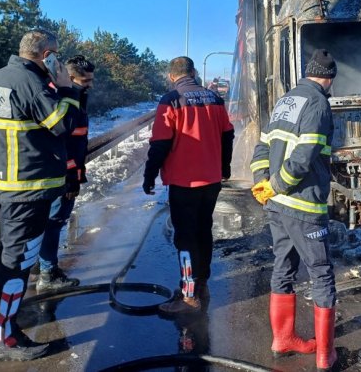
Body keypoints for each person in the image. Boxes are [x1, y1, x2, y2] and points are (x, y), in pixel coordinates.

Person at [0, 29, 80, 361]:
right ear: (47, 55)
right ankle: (6, 339)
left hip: (9, 185)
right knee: (19, 262)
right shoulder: (31, 83)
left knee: (8, 258)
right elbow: (63, 123)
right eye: (57, 54)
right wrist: (66, 87)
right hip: (29, 188)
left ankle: (0, 322)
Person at [249, 48, 338, 371]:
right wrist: (278, 184)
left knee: (283, 266)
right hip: (303, 204)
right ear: (329, 79)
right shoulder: (318, 103)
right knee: (321, 273)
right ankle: (325, 356)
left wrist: (263, 182)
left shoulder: (286, 100)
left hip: (277, 205)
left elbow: (262, 146)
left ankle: (282, 339)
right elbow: (303, 158)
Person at [143, 56, 234, 314]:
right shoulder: (215, 99)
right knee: (204, 232)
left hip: (184, 183)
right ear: (193, 72)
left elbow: (160, 143)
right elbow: (228, 134)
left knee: (184, 238)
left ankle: (188, 294)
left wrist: (149, 175)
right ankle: (201, 285)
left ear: (172, 76)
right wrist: (224, 167)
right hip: (211, 181)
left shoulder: (170, 100)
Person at [37, 55, 95, 292]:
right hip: (61, 176)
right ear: (69, 78)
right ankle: (47, 273)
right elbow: (62, 145)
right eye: (85, 79)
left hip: (65, 172)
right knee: (54, 222)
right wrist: (72, 177)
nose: (90, 84)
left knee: (50, 222)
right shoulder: (63, 100)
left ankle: (41, 264)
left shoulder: (77, 97)